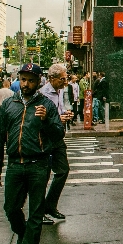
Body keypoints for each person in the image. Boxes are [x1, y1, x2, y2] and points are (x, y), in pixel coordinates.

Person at [0, 63, 63, 244]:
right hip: (14, 165)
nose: (26, 84)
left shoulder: (46, 105)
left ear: (39, 82)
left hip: (38, 164)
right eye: (23, 79)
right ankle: (23, 234)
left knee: (36, 212)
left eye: (30, 80)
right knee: (11, 209)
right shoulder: (9, 105)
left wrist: (46, 121)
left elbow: (58, 134)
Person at [40, 64, 73, 222]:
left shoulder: (60, 91)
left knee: (63, 170)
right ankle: (40, 212)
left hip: (58, 137)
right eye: (62, 79)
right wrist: (56, 119)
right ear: (52, 79)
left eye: (65, 78)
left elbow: (59, 109)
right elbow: (38, 118)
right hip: (46, 138)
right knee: (43, 176)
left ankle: (50, 206)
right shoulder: (42, 94)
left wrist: (65, 114)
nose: (65, 82)